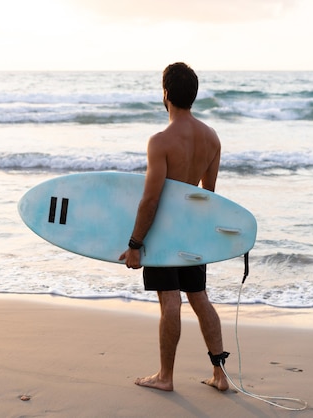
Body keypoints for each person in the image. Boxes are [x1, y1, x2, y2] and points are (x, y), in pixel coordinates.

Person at [119, 62, 229, 392]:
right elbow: (206, 196)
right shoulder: (212, 139)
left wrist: (135, 242)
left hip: (164, 234)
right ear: (192, 96)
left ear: (165, 94)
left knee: (170, 300)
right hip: (193, 231)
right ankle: (221, 375)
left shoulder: (161, 141)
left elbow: (150, 200)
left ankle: (165, 376)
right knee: (199, 298)